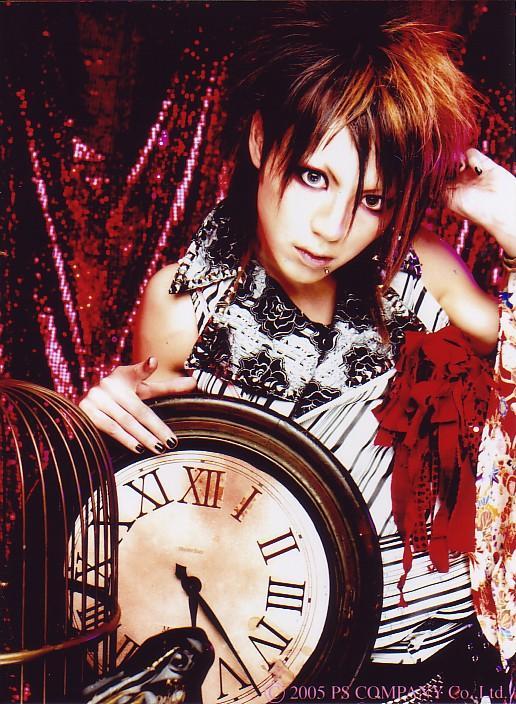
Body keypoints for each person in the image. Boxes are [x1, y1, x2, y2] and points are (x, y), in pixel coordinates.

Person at [79, 3, 515, 700]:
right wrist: (97, 427)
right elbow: (161, 517)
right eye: (315, 176)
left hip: (445, 669)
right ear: (261, 139)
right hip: (275, 666)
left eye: (372, 199)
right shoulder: (184, 308)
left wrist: (511, 223)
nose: (332, 227)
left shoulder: (417, 270)